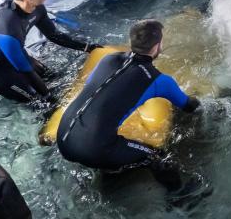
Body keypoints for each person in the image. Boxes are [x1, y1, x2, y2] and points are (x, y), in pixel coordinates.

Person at [57, 19, 201, 193]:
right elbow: (188, 106)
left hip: (63, 138)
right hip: (94, 149)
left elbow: (96, 88)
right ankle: (182, 197)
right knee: (157, 157)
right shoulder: (159, 81)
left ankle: (110, 168)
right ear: (157, 46)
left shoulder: (107, 59)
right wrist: (201, 101)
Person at [0, 0, 101, 103]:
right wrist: (50, 99)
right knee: (38, 100)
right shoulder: (6, 27)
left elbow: (55, 36)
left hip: (11, 55)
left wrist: (88, 47)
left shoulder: (37, 8)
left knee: (51, 77)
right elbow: (25, 70)